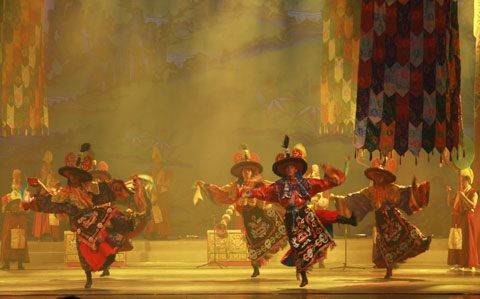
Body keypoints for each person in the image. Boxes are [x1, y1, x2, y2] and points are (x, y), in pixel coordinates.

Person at [23, 144, 144, 288]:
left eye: (75, 175)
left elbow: (106, 189)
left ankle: (117, 242)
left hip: (94, 217)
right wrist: (33, 201)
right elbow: (52, 201)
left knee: (110, 220)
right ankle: (88, 278)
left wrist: (127, 186)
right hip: (80, 225)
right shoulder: (65, 193)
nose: (73, 177)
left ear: (80, 176)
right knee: (83, 250)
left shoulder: (89, 187)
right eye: (71, 175)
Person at [243, 136, 355, 287]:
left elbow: (320, 184)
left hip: (304, 216)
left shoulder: (304, 183)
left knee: (308, 242)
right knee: (296, 247)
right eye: (287, 167)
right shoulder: (278, 186)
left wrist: (334, 179)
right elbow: (264, 193)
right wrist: (249, 193)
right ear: (284, 170)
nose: (290, 169)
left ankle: (304, 274)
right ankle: (302, 273)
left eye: (292, 167)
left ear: (296, 169)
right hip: (290, 218)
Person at [196, 145, 288, 278]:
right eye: (244, 170)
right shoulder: (235, 186)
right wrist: (206, 186)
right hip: (248, 218)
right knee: (252, 242)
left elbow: (271, 188)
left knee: (276, 228)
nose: (247, 173)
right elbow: (222, 192)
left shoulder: (258, 183)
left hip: (260, 214)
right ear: (241, 172)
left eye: (249, 170)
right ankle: (255, 267)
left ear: (252, 172)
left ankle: (279, 242)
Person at [330, 160, 432, 279]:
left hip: (394, 216)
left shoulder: (392, 188)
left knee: (409, 231)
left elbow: (404, 192)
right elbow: (355, 198)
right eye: (376, 176)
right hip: (381, 221)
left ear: (384, 177)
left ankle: (422, 242)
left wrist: (419, 189)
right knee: (384, 244)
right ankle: (389, 270)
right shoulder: (370, 191)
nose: (378, 178)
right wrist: (338, 199)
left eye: (381, 176)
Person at [446, 167, 479, 272]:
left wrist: (464, 197)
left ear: (468, 180)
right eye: (460, 180)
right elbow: (450, 204)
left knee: (467, 241)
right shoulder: (459, 192)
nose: (461, 182)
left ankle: (470, 264)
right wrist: (449, 193)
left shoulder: (473, 192)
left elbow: (473, 205)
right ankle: (459, 263)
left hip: (467, 219)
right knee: (458, 242)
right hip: (458, 220)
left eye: (464, 180)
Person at [1, 169, 30, 270]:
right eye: (14, 180)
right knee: (8, 239)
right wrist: (7, 205)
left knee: (20, 239)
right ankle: (6, 262)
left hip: (20, 218)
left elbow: (28, 210)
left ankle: (20, 262)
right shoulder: (8, 196)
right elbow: (4, 208)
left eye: (17, 181)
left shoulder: (25, 194)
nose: (15, 183)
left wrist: (21, 209)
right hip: (11, 218)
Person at [32, 151, 62, 241]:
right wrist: (45, 175)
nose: (47, 166)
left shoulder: (54, 174)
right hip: (42, 198)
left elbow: (57, 186)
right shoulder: (38, 174)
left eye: (49, 164)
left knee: (52, 217)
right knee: (41, 216)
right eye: (45, 164)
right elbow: (36, 186)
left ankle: (54, 235)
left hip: (51, 198)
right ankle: (39, 234)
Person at [144, 146, 171, 239]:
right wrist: (152, 191)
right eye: (155, 163)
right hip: (153, 196)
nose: (156, 165)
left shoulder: (166, 174)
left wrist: (157, 190)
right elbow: (147, 185)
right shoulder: (150, 173)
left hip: (162, 197)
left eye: (158, 163)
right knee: (152, 215)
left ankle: (164, 233)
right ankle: (152, 232)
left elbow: (166, 186)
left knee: (163, 214)